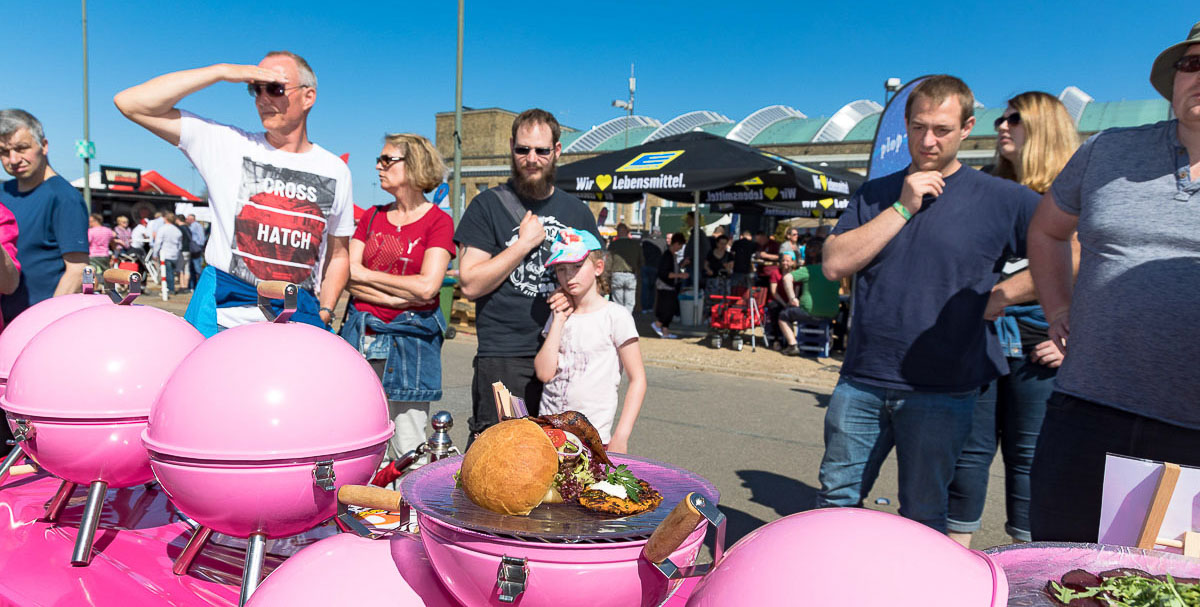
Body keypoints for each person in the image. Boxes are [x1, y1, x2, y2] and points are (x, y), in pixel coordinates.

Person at [816, 75, 1041, 533]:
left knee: (922, 514)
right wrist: (901, 208)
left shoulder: (1003, 199)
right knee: (835, 502)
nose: (928, 140)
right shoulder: (876, 193)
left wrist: (1001, 295)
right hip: (862, 379)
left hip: (943, 388)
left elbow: (1071, 255)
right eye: (918, 127)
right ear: (906, 123)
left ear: (967, 128)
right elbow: (834, 264)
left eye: (941, 129)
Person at [1026, 23, 1200, 542]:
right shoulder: (1107, 151)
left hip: (1196, 431)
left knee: (1171, 589)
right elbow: (1047, 229)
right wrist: (1058, 308)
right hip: (1087, 410)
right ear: (1173, 81)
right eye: (1192, 64)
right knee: (1060, 572)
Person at [114, 50, 353, 333]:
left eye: (275, 88)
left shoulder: (335, 170)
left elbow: (339, 255)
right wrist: (222, 71)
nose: (263, 99)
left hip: (298, 322)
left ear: (308, 96)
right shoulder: (227, 144)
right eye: (255, 89)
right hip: (221, 317)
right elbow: (130, 103)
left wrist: (326, 310)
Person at [946, 92, 1080, 548]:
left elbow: (1083, 259)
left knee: (1030, 460)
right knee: (968, 452)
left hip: (1040, 342)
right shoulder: (989, 186)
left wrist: (1071, 340)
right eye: (1001, 118)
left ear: (1045, 127)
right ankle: (951, 561)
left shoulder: (1072, 187)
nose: (1002, 126)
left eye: (1015, 119)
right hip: (980, 339)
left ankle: (1027, 570)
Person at [454, 109, 601, 441]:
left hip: (567, 357)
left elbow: (598, 280)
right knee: (500, 459)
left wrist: (575, 296)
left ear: (557, 151)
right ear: (511, 148)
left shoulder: (577, 212)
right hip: (504, 357)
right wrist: (523, 245)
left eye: (541, 151)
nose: (531, 159)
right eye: (523, 150)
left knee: (566, 461)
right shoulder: (487, 206)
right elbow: (470, 283)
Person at [339, 133, 454, 461]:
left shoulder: (438, 221)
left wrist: (368, 278)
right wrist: (402, 293)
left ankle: (406, 513)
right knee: (357, 436)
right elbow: (350, 274)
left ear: (415, 165)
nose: (378, 166)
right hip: (361, 333)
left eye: (387, 159)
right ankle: (364, 509)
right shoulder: (372, 216)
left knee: (407, 444)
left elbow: (429, 288)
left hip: (411, 343)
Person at [535, 228, 646, 454]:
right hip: (549, 434)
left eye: (577, 266)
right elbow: (544, 373)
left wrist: (621, 436)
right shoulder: (559, 314)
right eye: (561, 269)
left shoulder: (615, 316)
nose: (569, 276)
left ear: (598, 267)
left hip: (593, 439)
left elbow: (638, 379)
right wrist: (557, 320)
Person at [0, 109, 88, 323]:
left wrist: (46, 323)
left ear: (44, 146)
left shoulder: (64, 197)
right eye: (4, 151)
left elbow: (77, 270)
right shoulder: (3, 192)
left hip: (36, 322)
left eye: (22, 148)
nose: (13, 159)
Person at [777, 237, 840, 356]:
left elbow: (786, 278)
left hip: (809, 312)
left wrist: (792, 298)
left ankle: (792, 345)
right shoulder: (833, 271)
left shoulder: (808, 270)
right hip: (832, 313)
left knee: (783, 315)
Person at [652, 233, 689, 339]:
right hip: (665, 286)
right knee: (667, 309)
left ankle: (665, 331)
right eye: (680, 246)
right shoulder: (667, 256)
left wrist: (682, 265)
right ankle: (658, 325)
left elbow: (671, 269)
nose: (681, 248)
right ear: (676, 244)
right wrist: (680, 275)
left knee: (668, 308)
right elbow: (665, 273)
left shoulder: (671, 255)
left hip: (668, 285)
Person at [763, 250, 798, 347]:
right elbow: (774, 292)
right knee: (776, 309)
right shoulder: (775, 273)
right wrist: (784, 304)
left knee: (792, 312)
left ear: (793, 262)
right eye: (783, 260)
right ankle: (776, 339)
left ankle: (790, 340)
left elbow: (797, 291)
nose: (785, 263)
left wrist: (792, 302)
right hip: (778, 300)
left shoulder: (796, 274)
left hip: (790, 301)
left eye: (787, 261)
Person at [606, 222, 642, 314]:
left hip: (616, 274)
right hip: (631, 275)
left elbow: (608, 261)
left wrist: (607, 275)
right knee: (629, 303)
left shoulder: (613, 244)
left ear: (618, 232)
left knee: (618, 303)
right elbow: (641, 260)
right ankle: (627, 321)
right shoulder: (635, 244)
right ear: (627, 232)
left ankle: (620, 323)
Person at [151, 212, 183, 296]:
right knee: (171, 272)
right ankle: (170, 288)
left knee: (167, 273)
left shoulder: (162, 229)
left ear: (165, 219)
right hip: (175, 254)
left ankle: (169, 290)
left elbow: (158, 242)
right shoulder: (177, 230)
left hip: (165, 254)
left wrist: (154, 254)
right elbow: (180, 245)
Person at [639, 231, 664, 314]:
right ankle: (650, 307)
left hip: (645, 266)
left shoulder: (643, 241)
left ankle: (644, 308)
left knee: (645, 288)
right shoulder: (662, 242)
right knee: (652, 288)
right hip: (655, 267)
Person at [186, 214, 206, 289]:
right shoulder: (194, 225)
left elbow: (201, 238)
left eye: (187, 219)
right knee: (194, 268)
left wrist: (198, 246)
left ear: (191, 219)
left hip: (196, 248)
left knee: (197, 268)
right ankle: (193, 286)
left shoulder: (195, 226)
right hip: (196, 248)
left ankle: (200, 285)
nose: (186, 220)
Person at [174, 214, 192, 293]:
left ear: (178, 219)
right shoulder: (188, 228)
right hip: (189, 250)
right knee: (187, 268)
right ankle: (186, 286)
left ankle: (182, 286)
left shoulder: (179, 228)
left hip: (182, 250)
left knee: (180, 269)